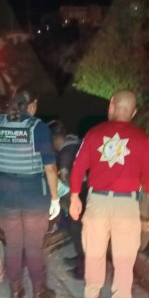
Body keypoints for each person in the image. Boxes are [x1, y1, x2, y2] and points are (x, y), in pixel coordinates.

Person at [69, 90, 149, 298]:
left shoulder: (94, 134)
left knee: (94, 252)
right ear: (134, 112)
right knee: (123, 259)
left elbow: (78, 167)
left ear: (111, 106)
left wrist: (74, 198)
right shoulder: (143, 139)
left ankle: (91, 297)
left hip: (97, 202)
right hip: (126, 205)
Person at [0, 87, 61, 298]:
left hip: (5, 196)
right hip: (34, 196)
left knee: (13, 246)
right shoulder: (38, 127)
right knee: (34, 247)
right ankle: (38, 293)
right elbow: (50, 168)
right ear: (32, 105)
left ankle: (16, 292)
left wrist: (6, 176)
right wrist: (55, 198)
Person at [49, 119, 85, 279]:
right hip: (87, 193)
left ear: (57, 139)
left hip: (77, 196)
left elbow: (64, 178)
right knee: (80, 233)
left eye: (52, 142)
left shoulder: (64, 152)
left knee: (77, 233)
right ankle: (80, 260)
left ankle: (83, 270)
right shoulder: (77, 143)